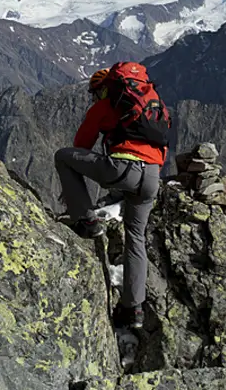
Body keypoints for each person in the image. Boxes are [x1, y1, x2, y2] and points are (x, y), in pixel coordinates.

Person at [54, 67, 166, 330]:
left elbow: (81, 145)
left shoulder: (105, 105)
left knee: (63, 157)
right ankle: (134, 310)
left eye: (95, 93)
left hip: (124, 170)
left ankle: (88, 222)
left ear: (103, 89)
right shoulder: (151, 105)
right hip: (152, 177)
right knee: (136, 238)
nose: (94, 98)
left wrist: (73, 191)